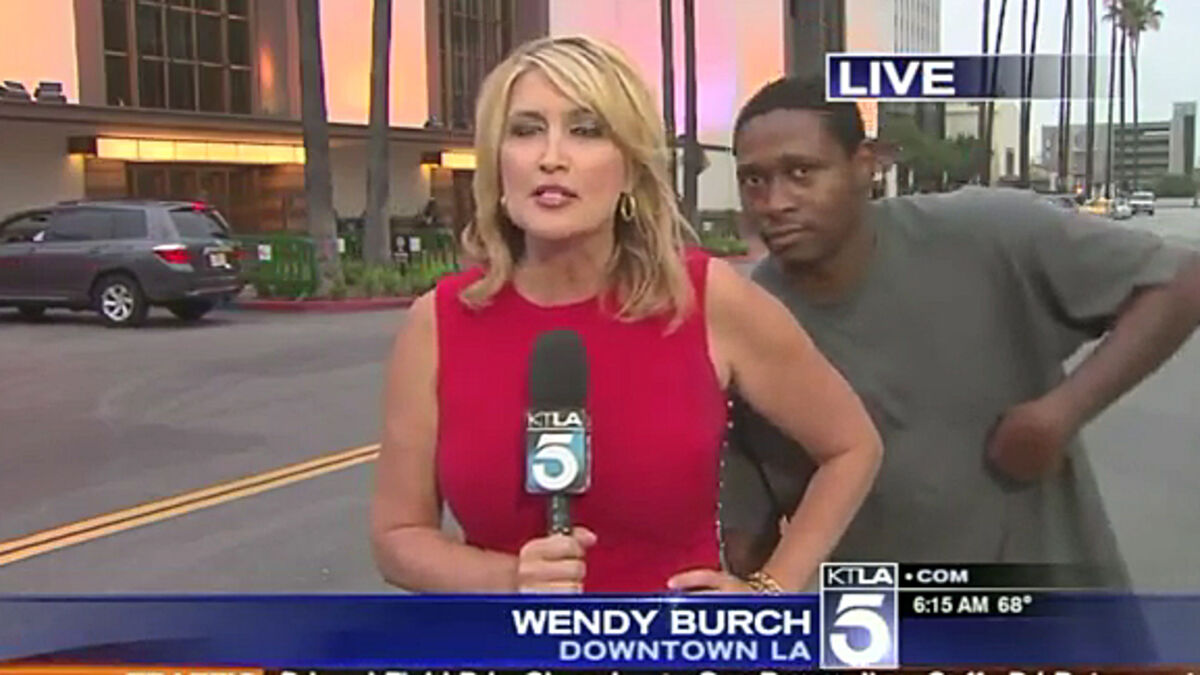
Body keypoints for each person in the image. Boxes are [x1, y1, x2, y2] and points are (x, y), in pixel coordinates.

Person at [370, 38, 883, 594]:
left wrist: (769, 590)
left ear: (630, 167)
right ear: (497, 161)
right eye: (526, 130)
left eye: (586, 130)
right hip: (505, 637)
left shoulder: (707, 299)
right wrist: (507, 577)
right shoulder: (438, 323)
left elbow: (851, 448)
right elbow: (399, 536)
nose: (551, 156)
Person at [721, 76, 1200, 588]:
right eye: (754, 180)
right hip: (881, 619)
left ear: (865, 164)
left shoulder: (986, 233)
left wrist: (1061, 413)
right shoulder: (744, 321)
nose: (775, 202)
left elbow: (1179, 282)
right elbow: (748, 541)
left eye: (801, 172)